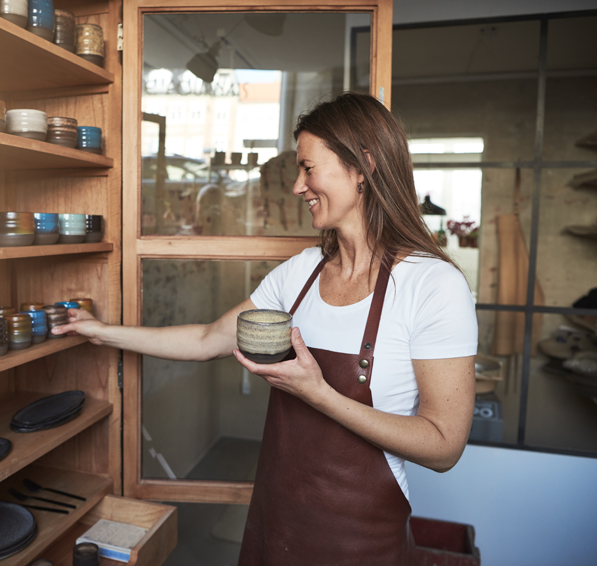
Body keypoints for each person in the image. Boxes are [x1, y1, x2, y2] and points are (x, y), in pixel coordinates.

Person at [52, 92, 478, 565]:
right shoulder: (301, 273)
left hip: (361, 545)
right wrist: (102, 332)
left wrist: (320, 395)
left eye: (308, 168)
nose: (297, 186)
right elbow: (205, 339)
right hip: (275, 526)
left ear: (363, 167)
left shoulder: (432, 285)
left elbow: (444, 446)